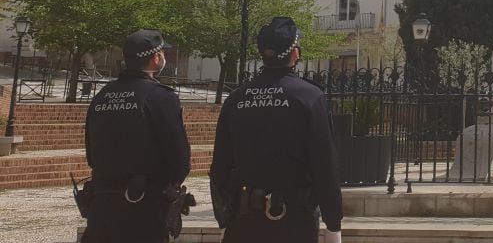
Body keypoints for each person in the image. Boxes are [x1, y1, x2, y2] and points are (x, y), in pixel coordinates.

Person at [210, 16, 343, 243]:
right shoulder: (310, 97)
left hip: (243, 221)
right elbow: (324, 166)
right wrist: (333, 224)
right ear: (295, 53)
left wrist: (224, 218)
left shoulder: (236, 99)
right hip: (294, 221)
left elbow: (219, 167)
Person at [82, 29, 191, 243]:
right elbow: (180, 159)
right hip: (144, 206)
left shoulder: (102, 96)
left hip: (102, 207)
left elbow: (91, 154)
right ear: (156, 58)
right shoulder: (160, 96)